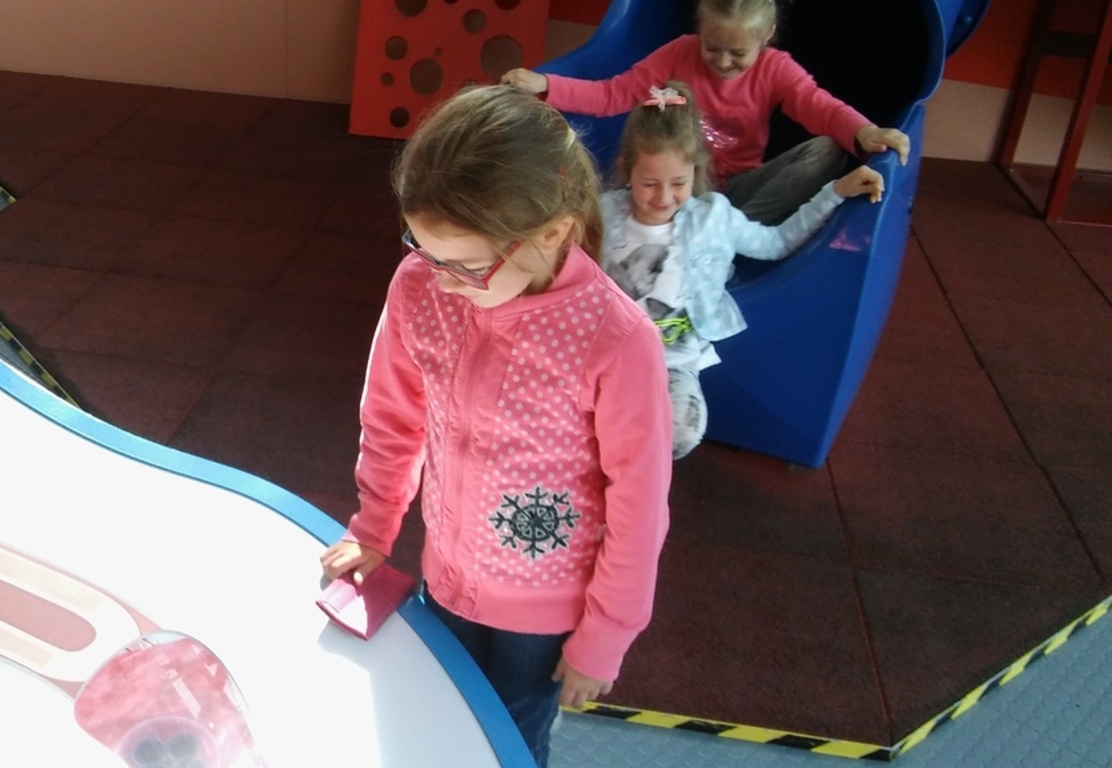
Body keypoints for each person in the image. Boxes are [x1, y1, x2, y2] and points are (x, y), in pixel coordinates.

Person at [318, 85, 672, 767]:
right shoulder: (420, 285)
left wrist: (606, 635)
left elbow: (639, 504)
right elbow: (391, 414)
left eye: (467, 266)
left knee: (507, 748)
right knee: (433, 726)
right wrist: (373, 526)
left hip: (543, 619)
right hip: (445, 578)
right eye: (423, 249)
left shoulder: (617, 340)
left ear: (551, 234)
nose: (441, 280)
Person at [602, 82, 883, 458]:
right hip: (607, 352)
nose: (664, 197)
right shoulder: (604, 213)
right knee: (587, 419)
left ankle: (636, 474)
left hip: (673, 360)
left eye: (679, 183)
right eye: (649, 183)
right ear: (627, 170)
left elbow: (777, 242)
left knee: (679, 434)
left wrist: (835, 192)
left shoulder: (713, 218)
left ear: (696, 171)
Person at [500, 0, 906, 225]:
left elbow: (818, 105)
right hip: (675, 188)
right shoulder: (679, 53)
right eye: (713, 48)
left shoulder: (775, 69)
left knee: (827, 150)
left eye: (738, 53)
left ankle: (729, 237)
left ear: (765, 37)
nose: (723, 62)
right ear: (700, 30)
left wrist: (863, 131)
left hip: (734, 197)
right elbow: (613, 94)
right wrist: (547, 85)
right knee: (619, 192)